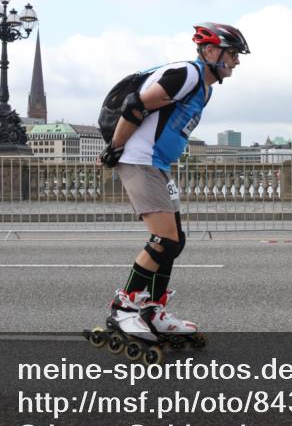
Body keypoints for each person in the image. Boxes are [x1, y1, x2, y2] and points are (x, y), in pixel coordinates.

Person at [92, 22, 248, 357]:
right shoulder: (187, 75)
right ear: (210, 51)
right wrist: (114, 149)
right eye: (232, 53)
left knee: (176, 241)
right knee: (164, 241)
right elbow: (136, 106)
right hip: (139, 159)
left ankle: (153, 310)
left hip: (158, 164)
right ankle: (125, 307)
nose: (236, 61)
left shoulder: (205, 89)